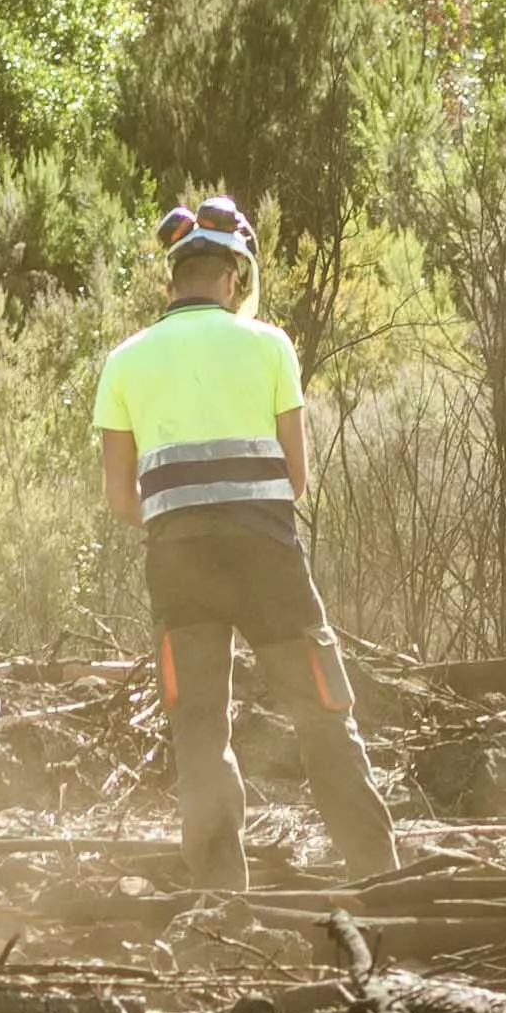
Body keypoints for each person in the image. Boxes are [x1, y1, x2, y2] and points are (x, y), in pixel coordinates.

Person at [94, 196, 397, 891]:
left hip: (176, 560)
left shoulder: (125, 361)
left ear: (171, 280)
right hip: (267, 557)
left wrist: (181, 519)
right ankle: (380, 880)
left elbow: (119, 496)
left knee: (199, 732)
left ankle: (222, 899)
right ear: (233, 276)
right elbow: (296, 477)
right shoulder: (268, 345)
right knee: (324, 716)